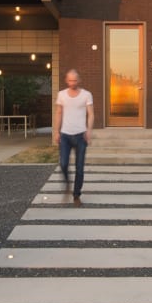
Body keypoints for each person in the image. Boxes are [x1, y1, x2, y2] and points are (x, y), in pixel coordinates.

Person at [54, 68, 93, 204]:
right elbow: (58, 113)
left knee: (79, 168)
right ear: (66, 80)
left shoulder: (86, 95)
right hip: (65, 135)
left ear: (79, 80)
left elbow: (91, 114)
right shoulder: (61, 95)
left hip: (81, 136)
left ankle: (76, 195)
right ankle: (67, 184)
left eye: (75, 80)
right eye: (70, 80)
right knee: (63, 164)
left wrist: (89, 130)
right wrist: (56, 131)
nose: (72, 83)